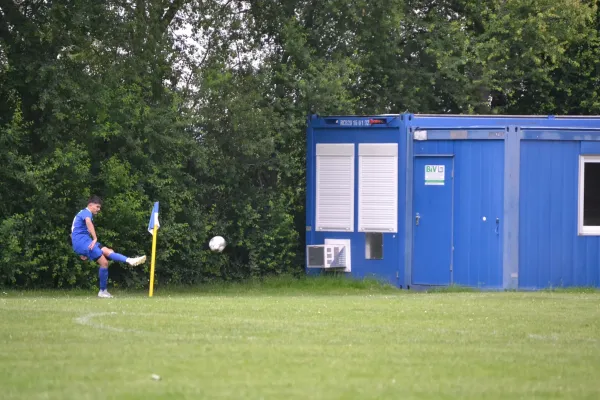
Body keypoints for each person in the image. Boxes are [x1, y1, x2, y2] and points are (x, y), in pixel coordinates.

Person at [71, 195, 146, 298]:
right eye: (97, 207)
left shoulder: (82, 213)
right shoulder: (86, 213)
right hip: (83, 242)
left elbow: (73, 232)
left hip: (83, 241)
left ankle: (129, 260)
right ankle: (102, 291)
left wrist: (81, 251)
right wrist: (94, 238)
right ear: (90, 205)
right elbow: (88, 223)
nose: (99, 209)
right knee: (104, 263)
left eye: (99, 207)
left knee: (107, 250)